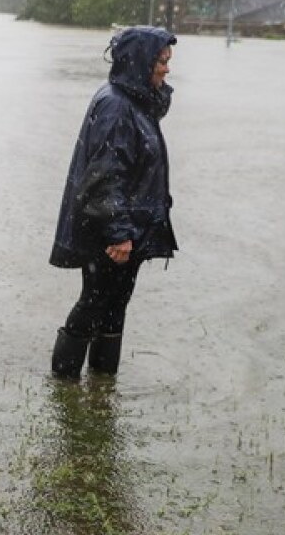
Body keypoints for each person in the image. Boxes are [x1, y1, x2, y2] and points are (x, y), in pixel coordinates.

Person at [49, 26, 179, 379]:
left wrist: (128, 232)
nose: (167, 69)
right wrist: (119, 234)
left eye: (168, 61)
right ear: (140, 62)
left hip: (125, 226)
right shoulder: (116, 106)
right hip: (108, 230)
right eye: (161, 62)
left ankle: (102, 385)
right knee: (95, 302)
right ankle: (64, 383)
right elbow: (107, 176)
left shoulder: (135, 99)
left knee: (115, 304)